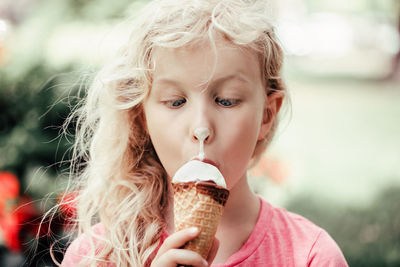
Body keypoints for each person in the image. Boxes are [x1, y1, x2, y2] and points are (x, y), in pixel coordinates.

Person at [59, 0, 349, 266]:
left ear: (266, 115)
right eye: (176, 102)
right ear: (142, 117)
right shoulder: (96, 255)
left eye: (227, 100)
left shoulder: (311, 256)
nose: (201, 128)